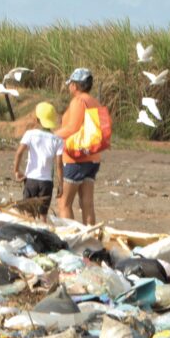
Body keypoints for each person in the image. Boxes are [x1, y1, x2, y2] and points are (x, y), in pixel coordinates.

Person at [54, 68, 103, 225]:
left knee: (64, 202)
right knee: (87, 203)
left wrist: (51, 136)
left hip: (76, 158)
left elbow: (72, 128)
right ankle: (90, 240)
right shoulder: (94, 101)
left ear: (75, 85)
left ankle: (70, 239)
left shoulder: (78, 101)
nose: (69, 87)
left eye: (71, 84)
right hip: (93, 157)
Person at [12, 102, 65, 221]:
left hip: (31, 180)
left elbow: (19, 153)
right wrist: (61, 184)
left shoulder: (30, 134)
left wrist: (16, 170)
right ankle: (41, 235)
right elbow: (59, 165)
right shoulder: (58, 140)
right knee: (43, 216)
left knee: (29, 214)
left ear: (37, 119)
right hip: (46, 183)